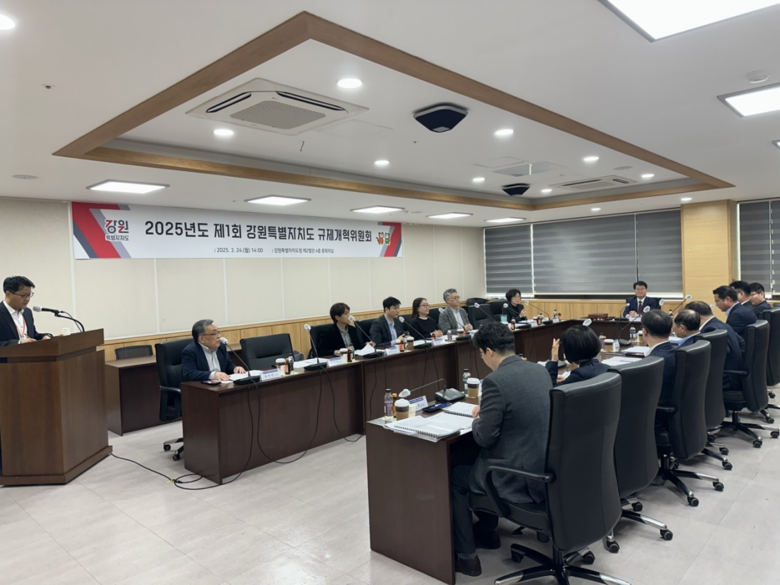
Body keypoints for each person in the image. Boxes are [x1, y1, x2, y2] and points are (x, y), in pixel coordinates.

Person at [450, 322, 551, 577]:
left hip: (516, 477)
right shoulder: (539, 371)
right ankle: (488, 533)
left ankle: (467, 557)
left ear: (488, 351)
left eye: (481, 354)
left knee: (456, 477)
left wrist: (478, 419)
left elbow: (484, 438)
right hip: (543, 465)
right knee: (470, 457)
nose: (482, 359)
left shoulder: (495, 381)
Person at [687, 300, 744, 389]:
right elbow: (741, 342)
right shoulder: (721, 324)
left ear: (698, 317)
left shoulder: (710, 330)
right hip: (734, 375)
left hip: (724, 380)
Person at [641, 310, 676, 433]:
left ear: (644, 332)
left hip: (656, 415)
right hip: (673, 412)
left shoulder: (653, 363)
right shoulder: (676, 353)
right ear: (671, 330)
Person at [181, 319, 245, 382]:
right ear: (202, 339)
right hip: (202, 386)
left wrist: (235, 368)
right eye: (214, 333)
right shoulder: (190, 351)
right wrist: (213, 375)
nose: (219, 336)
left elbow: (228, 365)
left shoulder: (221, 346)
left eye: (218, 332)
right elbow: (190, 374)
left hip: (222, 384)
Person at [1, 275, 52, 347]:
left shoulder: (27, 312)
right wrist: (19, 342)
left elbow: (33, 335)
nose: (27, 299)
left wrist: (44, 336)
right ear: (8, 294)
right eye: (23, 295)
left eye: (29, 295)